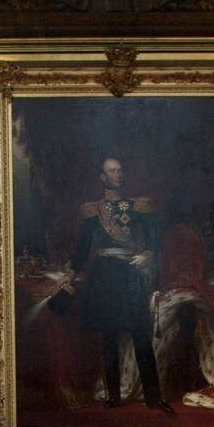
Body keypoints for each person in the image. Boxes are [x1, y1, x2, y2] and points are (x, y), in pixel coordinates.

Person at [71, 155, 171, 413]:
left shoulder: (138, 206)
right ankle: (114, 395)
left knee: (140, 335)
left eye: (120, 170)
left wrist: (147, 255)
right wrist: (71, 271)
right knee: (109, 338)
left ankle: (153, 397)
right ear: (103, 178)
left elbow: (153, 240)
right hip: (104, 276)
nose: (119, 174)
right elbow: (83, 247)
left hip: (129, 274)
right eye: (112, 171)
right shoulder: (92, 211)